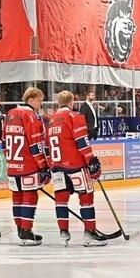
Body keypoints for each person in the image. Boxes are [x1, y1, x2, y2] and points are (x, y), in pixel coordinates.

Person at [47, 91, 107, 247]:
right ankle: (89, 233)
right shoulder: (75, 117)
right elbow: (82, 141)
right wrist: (91, 161)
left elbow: (47, 146)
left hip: (57, 167)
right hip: (76, 165)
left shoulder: (51, 120)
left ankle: (63, 234)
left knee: (61, 201)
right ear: (72, 102)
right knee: (86, 198)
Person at [3, 87, 50, 246]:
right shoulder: (31, 115)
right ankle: (26, 230)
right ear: (30, 99)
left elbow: (3, 142)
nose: (40, 104)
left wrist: (10, 160)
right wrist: (43, 166)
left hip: (12, 165)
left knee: (17, 196)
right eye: (39, 100)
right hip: (28, 164)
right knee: (30, 196)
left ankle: (20, 229)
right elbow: (35, 144)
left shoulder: (10, 113)